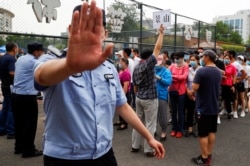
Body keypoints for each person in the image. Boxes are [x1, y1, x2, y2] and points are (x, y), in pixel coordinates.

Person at [34, 1, 165, 165]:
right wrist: (69, 66)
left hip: (103, 152)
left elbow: (122, 106)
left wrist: (148, 137)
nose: (89, 33)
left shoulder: (109, 68)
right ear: (70, 30)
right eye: (83, 26)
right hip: (64, 157)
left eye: (96, 28)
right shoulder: (54, 61)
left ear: (105, 33)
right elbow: (41, 77)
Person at [132, 24, 164, 157]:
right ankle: (148, 149)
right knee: (150, 124)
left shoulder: (137, 66)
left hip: (139, 97)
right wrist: (161, 33)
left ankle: (134, 146)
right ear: (149, 57)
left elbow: (135, 85)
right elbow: (157, 48)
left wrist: (137, 95)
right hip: (150, 99)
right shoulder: (148, 63)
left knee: (137, 122)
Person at [12, 42, 44, 158]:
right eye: (41, 51)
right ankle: (28, 150)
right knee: (30, 124)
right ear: (36, 52)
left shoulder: (21, 59)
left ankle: (19, 147)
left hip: (16, 95)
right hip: (27, 97)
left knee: (19, 123)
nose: (43, 53)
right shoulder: (34, 62)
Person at [191, 50, 222, 165]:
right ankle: (208, 153)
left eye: (203, 57)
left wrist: (190, 90)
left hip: (203, 106)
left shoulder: (201, 71)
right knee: (212, 131)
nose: (201, 59)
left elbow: (194, 87)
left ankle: (204, 158)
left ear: (207, 57)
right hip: (214, 105)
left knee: (203, 133)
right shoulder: (218, 72)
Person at [168, 52, 189, 138]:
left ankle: (180, 129)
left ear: (182, 58)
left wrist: (174, 77)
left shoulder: (186, 66)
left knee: (180, 111)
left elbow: (184, 77)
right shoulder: (172, 66)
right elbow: (168, 76)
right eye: (175, 58)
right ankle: (174, 128)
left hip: (181, 92)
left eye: (178, 58)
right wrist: (177, 77)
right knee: (173, 111)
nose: (176, 59)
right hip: (172, 90)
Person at [0, 42, 18, 139]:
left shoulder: (2, 58)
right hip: (10, 86)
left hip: (4, 84)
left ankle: (2, 128)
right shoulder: (11, 59)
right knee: (11, 108)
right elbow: (12, 73)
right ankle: (11, 131)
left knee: (5, 107)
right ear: (14, 48)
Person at [155, 54, 172, 141]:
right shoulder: (153, 70)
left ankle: (163, 131)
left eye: (160, 60)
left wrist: (159, 78)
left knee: (162, 114)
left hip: (161, 95)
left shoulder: (166, 71)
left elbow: (168, 82)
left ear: (163, 62)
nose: (158, 63)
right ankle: (153, 129)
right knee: (153, 114)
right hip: (152, 95)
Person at [185, 54, 201, 137]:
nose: (192, 61)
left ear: (198, 60)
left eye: (194, 60)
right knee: (189, 111)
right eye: (191, 59)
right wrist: (188, 91)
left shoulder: (201, 69)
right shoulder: (188, 69)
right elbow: (185, 82)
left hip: (199, 94)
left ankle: (198, 128)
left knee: (198, 112)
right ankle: (190, 128)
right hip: (189, 93)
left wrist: (195, 91)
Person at [114, 58, 131, 130]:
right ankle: (120, 121)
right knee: (120, 107)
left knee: (124, 108)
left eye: (121, 62)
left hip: (125, 93)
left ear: (126, 64)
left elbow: (126, 85)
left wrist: (123, 95)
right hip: (120, 92)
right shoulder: (121, 71)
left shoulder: (126, 73)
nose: (120, 64)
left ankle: (124, 123)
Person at [220, 53, 236, 121]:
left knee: (228, 100)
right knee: (220, 99)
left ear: (230, 59)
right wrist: (222, 76)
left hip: (228, 84)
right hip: (221, 84)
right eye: (225, 58)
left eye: (228, 59)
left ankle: (229, 112)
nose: (226, 60)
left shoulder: (232, 67)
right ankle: (220, 112)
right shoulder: (221, 66)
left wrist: (233, 85)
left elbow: (234, 76)